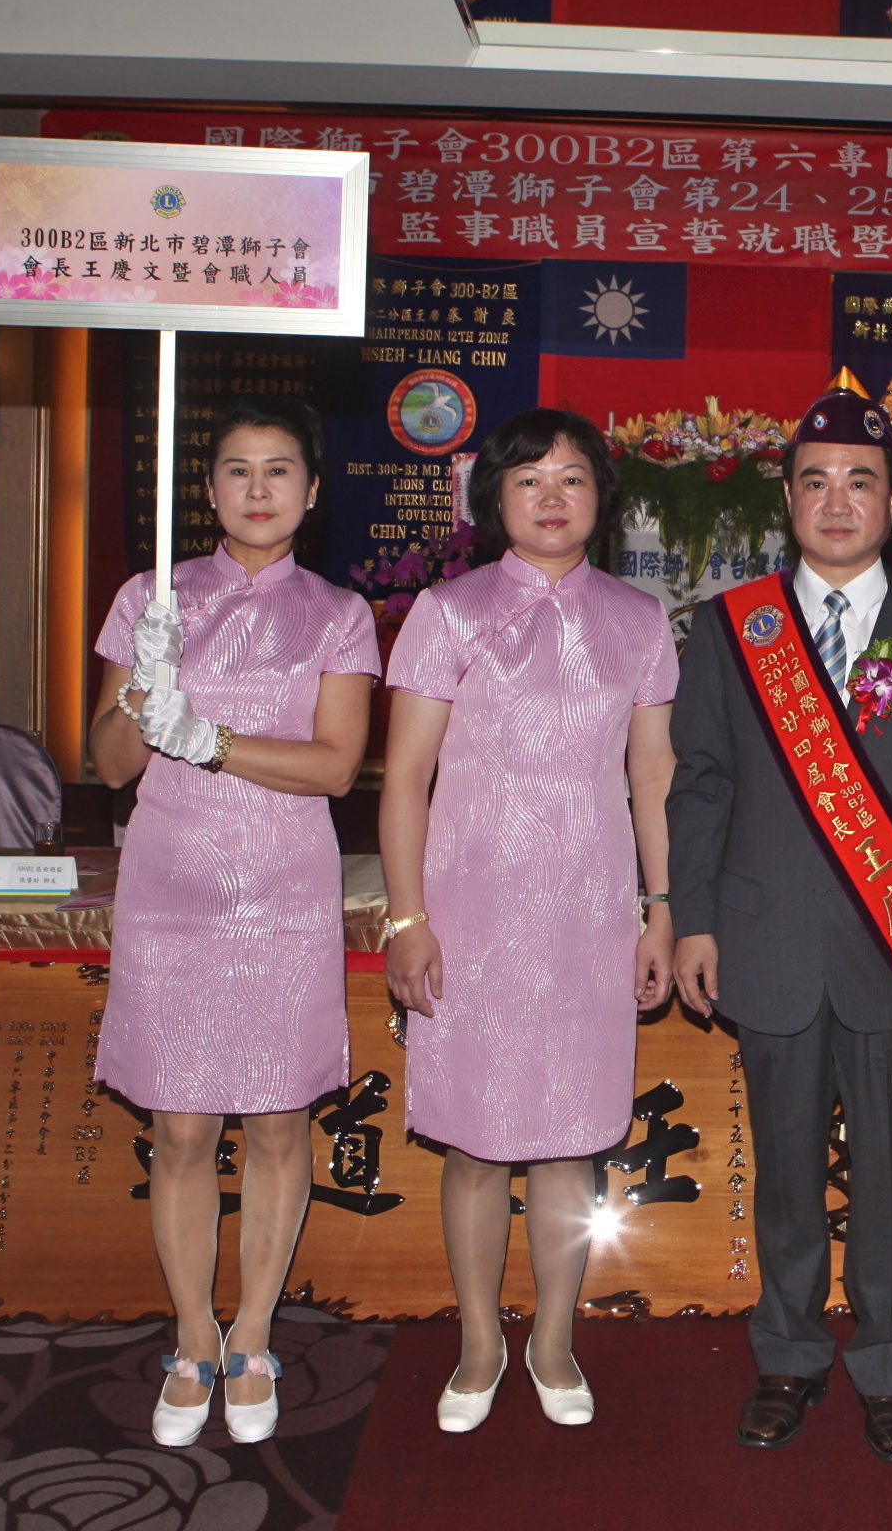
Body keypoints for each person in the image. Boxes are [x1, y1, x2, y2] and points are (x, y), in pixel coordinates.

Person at [666, 382, 892, 1464]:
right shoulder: (734, 630)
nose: (838, 501)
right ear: (789, 500)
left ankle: (887, 1363)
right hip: (764, 944)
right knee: (787, 1174)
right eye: (816, 482)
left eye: (861, 481)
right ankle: (790, 1354)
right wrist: (694, 919)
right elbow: (700, 785)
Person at [88, 395, 379, 1450]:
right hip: (170, 883)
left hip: (281, 887)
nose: (259, 488)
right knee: (179, 1125)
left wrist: (208, 736)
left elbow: (336, 767)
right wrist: (145, 685)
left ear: (311, 489)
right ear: (207, 488)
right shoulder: (149, 598)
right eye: (238, 469)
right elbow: (106, 765)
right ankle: (191, 1333)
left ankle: (253, 1332)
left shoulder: (339, 613)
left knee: (275, 1119)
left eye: (279, 469)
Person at [381, 408, 679, 1433]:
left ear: (602, 497)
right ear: (494, 499)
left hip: (590, 915)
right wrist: (407, 918)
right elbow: (405, 777)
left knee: (567, 1143)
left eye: (572, 479)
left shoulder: (640, 620)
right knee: (473, 1146)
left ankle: (553, 1339)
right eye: (529, 480)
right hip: (470, 914)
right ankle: (479, 1341)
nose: (552, 498)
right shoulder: (448, 613)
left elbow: (653, 778)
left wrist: (660, 912)